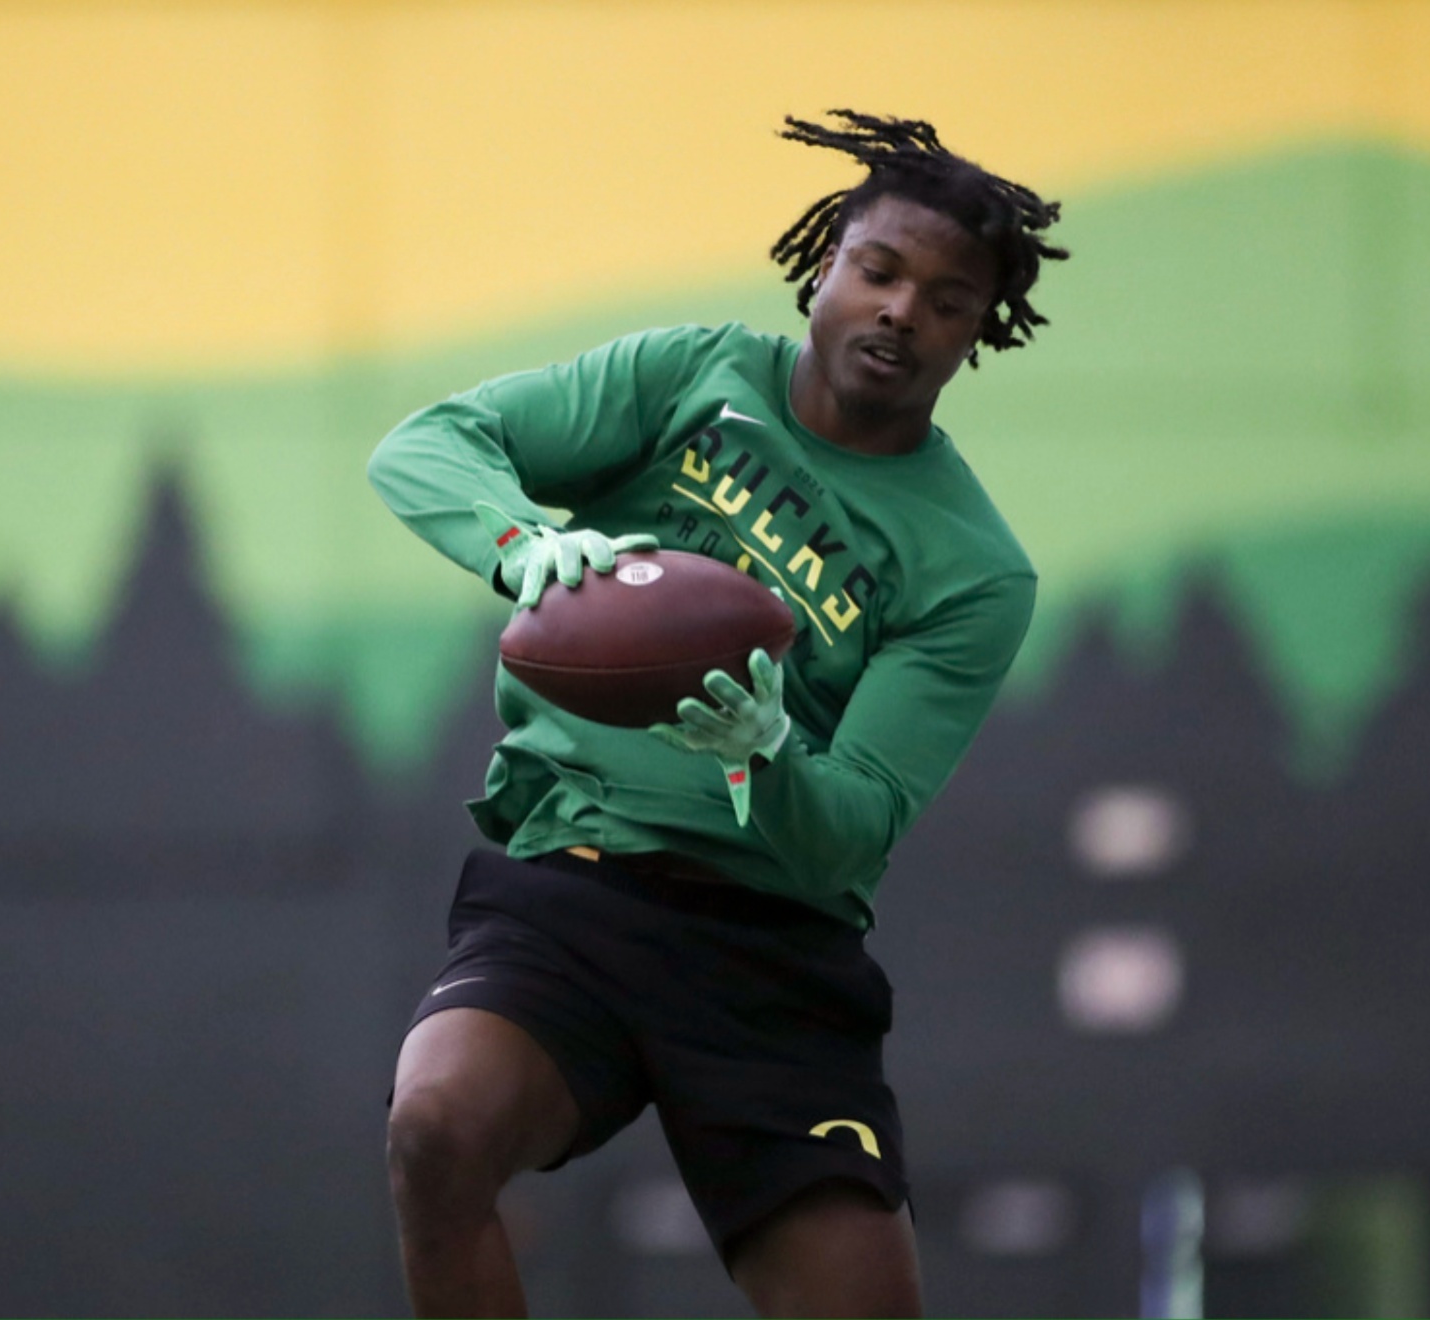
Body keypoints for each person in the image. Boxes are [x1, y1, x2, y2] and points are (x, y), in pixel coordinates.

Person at [368, 111, 1067, 1318]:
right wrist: (526, 544)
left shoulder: (975, 569)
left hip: (768, 951)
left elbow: (858, 827)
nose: (904, 311)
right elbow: (428, 447)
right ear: (824, 266)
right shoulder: (694, 375)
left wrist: (767, 756)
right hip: (573, 885)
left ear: (977, 336)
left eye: (949, 301)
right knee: (434, 1128)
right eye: (880, 270)